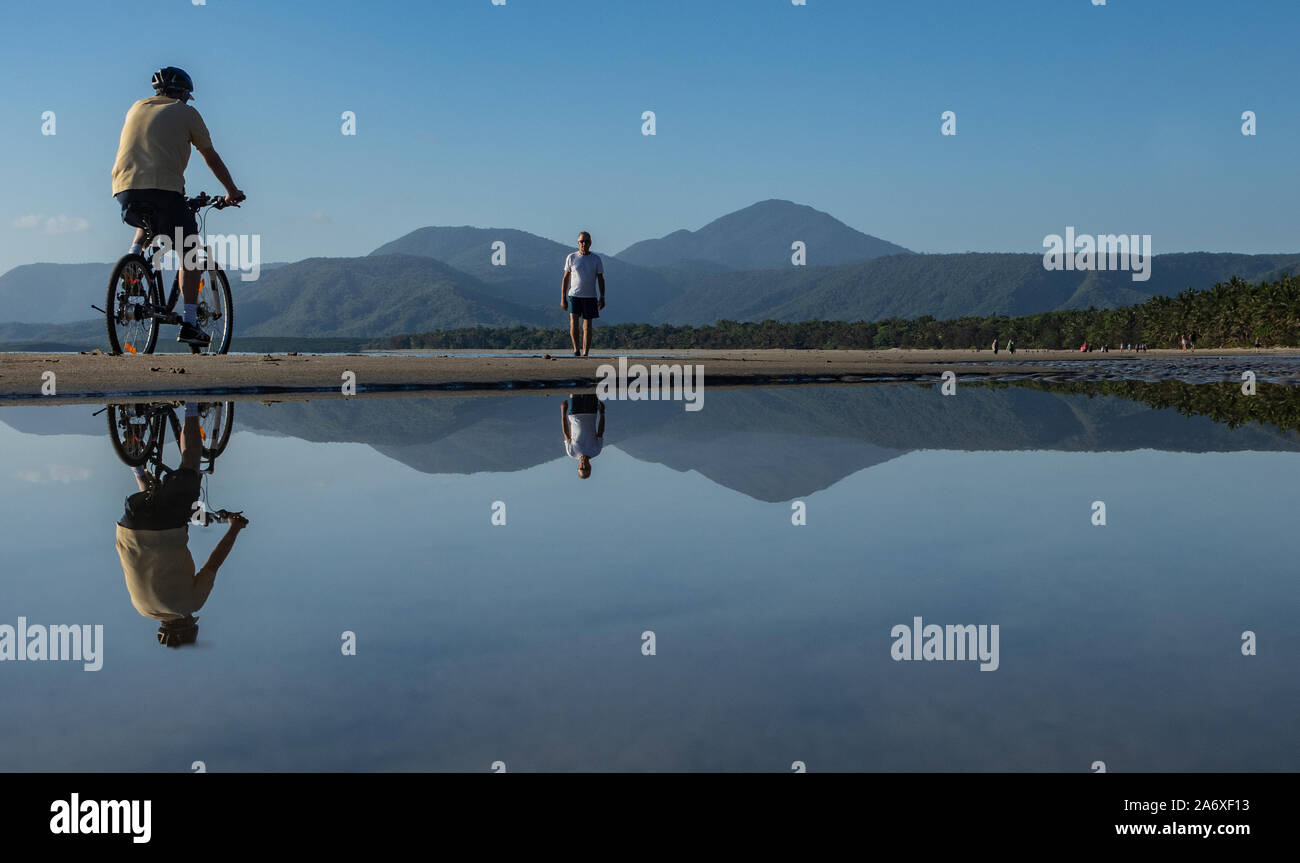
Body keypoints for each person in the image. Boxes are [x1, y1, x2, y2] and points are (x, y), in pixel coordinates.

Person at [111, 67, 246, 347]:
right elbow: (210, 156)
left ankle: (133, 261)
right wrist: (231, 192)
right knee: (191, 252)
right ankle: (190, 322)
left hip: (124, 190)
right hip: (164, 190)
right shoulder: (187, 113)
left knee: (146, 224)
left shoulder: (136, 107)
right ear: (184, 94)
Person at [114, 402, 248, 646]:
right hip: (129, 526)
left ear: (187, 622)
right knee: (153, 498)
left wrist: (234, 528)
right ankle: (137, 467)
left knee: (191, 466)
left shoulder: (191, 604)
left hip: (165, 527)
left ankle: (191, 406)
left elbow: (214, 563)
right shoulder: (142, 609)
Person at [561, 232, 606, 357]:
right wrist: (563, 298)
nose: (584, 243)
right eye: (581, 241)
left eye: (586, 241)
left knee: (587, 325)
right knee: (573, 322)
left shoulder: (596, 259)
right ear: (578, 243)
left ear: (590, 243)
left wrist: (602, 296)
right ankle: (576, 349)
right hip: (574, 295)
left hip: (590, 296)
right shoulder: (571, 257)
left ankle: (586, 352)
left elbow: (601, 278)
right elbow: (565, 278)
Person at [561, 393, 605, 479]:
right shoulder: (596, 451)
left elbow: (566, 433)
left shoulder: (572, 453)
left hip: (574, 414)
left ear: (578, 467)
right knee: (592, 389)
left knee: (575, 390)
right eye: (586, 468)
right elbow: (600, 432)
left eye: (581, 468)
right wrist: (602, 413)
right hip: (591, 413)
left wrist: (563, 414)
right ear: (590, 467)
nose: (583, 466)